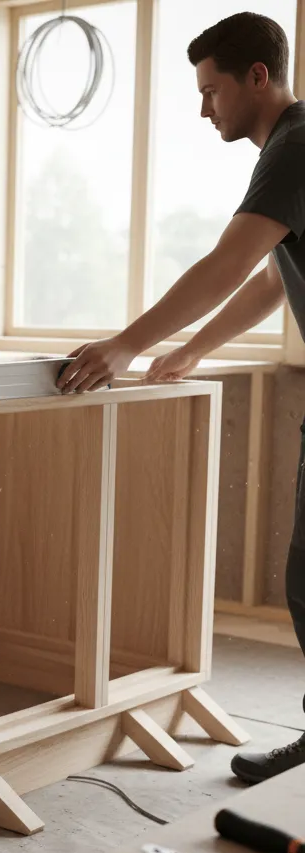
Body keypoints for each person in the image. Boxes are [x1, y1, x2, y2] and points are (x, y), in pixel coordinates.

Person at [56, 12, 305, 784]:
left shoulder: (296, 145)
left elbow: (227, 262)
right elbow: (272, 275)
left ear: (255, 78)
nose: (205, 110)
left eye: (211, 91)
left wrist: (124, 345)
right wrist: (195, 348)